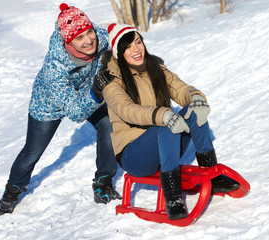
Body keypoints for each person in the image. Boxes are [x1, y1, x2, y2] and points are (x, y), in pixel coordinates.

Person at [92, 23, 240, 220]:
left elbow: (179, 88)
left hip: (164, 143)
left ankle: (211, 173)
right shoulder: (112, 80)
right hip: (134, 155)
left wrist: (195, 97)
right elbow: (127, 110)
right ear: (119, 52)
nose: (136, 49)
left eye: (138, 42)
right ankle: (173, 197)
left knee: (193, 111)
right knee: (166, 125)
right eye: (128, 46)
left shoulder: (155, 67)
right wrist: (162, 115)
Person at [0, 3, 122, 216]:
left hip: (88, 93)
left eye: (89, 32)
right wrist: (96, 92)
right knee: (31, 152)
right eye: (80, 38)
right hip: (48, 106)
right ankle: (13, 189)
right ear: (68, 41)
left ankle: (103, 182)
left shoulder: (99, 38)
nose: (89, 40)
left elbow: (120, 37)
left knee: (109, 125)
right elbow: (75, 113)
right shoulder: (54, 66)